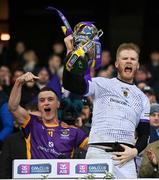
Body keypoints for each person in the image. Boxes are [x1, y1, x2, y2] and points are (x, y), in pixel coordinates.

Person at [63, 29, 150, 178]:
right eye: (124, 58)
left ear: (137, 65)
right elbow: (70, 84)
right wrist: (71, 53)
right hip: (97, 153)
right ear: (116, 63)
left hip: (125, 158)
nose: (129, 61)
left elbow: (144, 134)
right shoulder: (101, 84)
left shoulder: (143, 98)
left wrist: (135, 151)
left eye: (133, 59)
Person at [8, 72, 88, 159]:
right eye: (42, 100)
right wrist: (19, 82)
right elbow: (13, 107)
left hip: (62, 172)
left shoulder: (73, 131)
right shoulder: (31, 124)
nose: (46, 103)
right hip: (35, 172)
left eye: (50, 99)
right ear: (38, 106)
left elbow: (95, 149)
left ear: (58, 104)